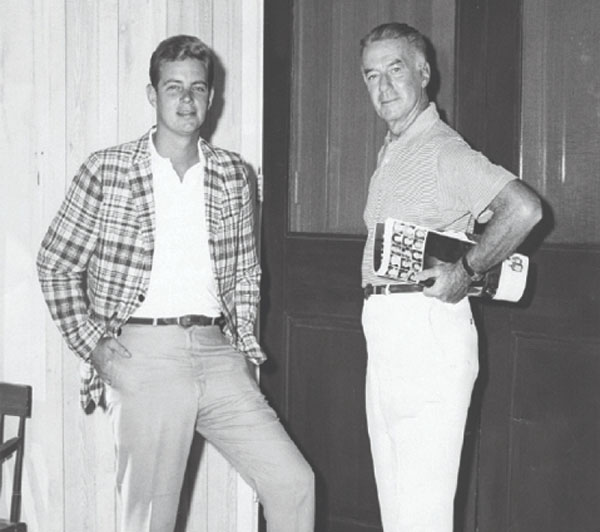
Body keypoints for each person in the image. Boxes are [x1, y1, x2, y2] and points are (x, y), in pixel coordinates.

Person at [37, 34, 314, 532]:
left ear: (211, 97)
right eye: (174, 87)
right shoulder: (107, 170)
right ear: (153, 95)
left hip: (216, 351)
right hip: (144, 356)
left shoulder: (233, 173)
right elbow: (55, 263)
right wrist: (92, 345)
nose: (187, 99)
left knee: (293, 483)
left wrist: (241, 347)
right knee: (151, 520)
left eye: (198, 88)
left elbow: (246, 272)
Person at [359, 23, 542, 531]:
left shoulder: (442, 149)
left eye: (395, 69)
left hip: (426, 332)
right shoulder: (394, 149)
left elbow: (523, 209)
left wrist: (466, 269)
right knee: (398, 510)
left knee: (423, 515)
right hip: (388, 331)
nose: (383, 87)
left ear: (424, 73)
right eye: (371, 75)